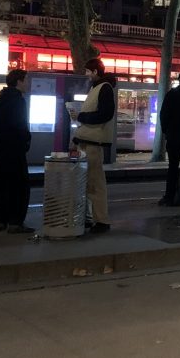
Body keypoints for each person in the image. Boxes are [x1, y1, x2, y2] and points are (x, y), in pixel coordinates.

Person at [71, 58, 117, 233]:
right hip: (88, 140)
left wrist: (81, 117)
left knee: (95, 183)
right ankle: (92, 218)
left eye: (88, 71)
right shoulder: (99, 88)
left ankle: (101, 220)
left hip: (92, 143)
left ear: (95, 72)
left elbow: (105, 114)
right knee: (90, 182)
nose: (86, 75)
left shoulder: (103, 88)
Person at [0, 69, 33, 233]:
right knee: (19, 185)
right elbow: (20, 125)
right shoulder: (18, 100)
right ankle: (15, 222)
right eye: (26, 80)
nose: (28, 83)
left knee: (1, 183)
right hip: (15, 149)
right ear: (19, 81)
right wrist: (26, 140)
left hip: (1, 148)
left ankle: (1, 220)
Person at [158, 72, 180, 206]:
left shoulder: (171, 94)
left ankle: (169, 196)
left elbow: (163, 114)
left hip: (174, 135)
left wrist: (166, 130)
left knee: (173, 167)